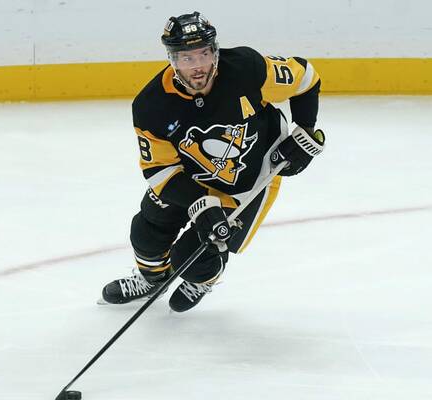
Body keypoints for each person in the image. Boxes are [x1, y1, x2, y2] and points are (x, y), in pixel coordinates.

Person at [100, 11, 325, 312]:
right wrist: (201, 203)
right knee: (147, 231)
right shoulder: (151, 104)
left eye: (204, 54)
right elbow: (159, 170)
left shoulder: (247, 68)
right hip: (191, 177)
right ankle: (151, 279)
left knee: (196, 257)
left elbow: (306, 77)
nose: (198, 66)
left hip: (249, 180)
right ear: (172, 59)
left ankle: (203, 279)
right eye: (187, 58)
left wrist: (304, 130)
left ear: (215, 51)